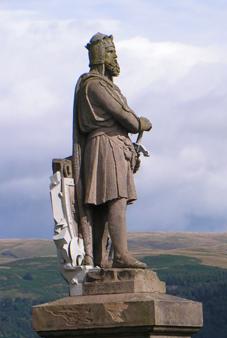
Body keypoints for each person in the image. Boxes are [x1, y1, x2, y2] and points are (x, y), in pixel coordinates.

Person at [72, 33, 152, 268]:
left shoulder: (105, 85)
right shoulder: (95, 85)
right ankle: (119, 256)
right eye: (110, 52)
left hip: (113, 146)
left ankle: (105, 258)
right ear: (99, 55)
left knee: (110, 203)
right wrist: (140, 123)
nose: (115, 57)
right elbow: (123, 115)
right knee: (114, 199)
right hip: (105, 146)